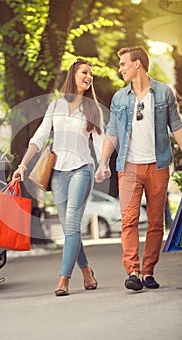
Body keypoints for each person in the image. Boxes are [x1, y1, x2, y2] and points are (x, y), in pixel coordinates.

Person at [13, 58, 105, 296]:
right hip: (57, 173)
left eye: (91, 74)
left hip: (82, 169)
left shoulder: (92, 109)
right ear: (73, 75)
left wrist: (103, 165)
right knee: (69, 228)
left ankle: (64, 278)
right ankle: (87, 272)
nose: (89, 77)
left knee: (72, 224)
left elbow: (100, 142)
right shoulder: (56, 106)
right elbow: (39, 136)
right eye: (85, 72)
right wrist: (22, 165)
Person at [95, 46, 182, 291]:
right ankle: (133, 271)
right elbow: (112, 132)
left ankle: (148, 271)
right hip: (129, 167)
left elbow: (176, 127)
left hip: (158, 165)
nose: (120, 68)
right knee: (129, 220)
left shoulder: (164, 93)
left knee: (156, 222)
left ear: (137, 64)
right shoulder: (120, 98)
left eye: (123, 63)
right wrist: (103, 162)